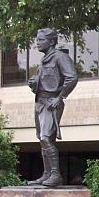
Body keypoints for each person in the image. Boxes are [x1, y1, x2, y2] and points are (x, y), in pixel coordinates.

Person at [27, 28, 78, 186]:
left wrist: (60, 96)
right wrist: (34, 83)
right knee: (41, 139)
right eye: (37, 39)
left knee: (46, 138)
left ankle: (56, 175)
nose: (37, 43)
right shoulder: (44, 61)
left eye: (41, 40)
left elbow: (72, 77)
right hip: (40, 102)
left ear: (51, 41)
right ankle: (47, 173)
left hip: (51, 103)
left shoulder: (60, 57)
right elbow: (46, 82)